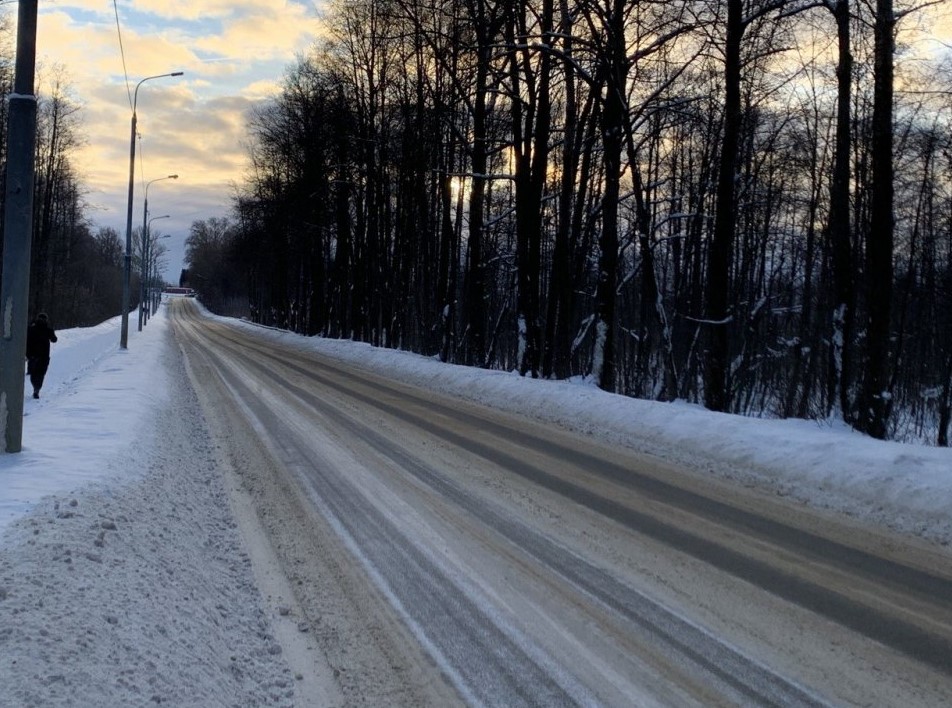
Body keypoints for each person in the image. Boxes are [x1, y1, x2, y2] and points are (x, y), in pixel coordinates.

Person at [26, 312, 57, 399]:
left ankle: (36, 389)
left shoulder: (32, 328)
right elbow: (54, 339)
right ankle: (36, 389)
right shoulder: (47, 329)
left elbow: (54, 339)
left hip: (34, 355)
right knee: (40, 374)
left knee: (35, 374)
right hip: (42, 356)